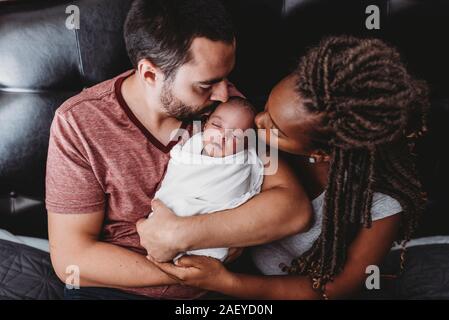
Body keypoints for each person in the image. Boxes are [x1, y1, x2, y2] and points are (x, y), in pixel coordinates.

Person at [46, 0, 311, 300]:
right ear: (150, 74)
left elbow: (294, 210)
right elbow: (70, 258)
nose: (224, 93)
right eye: (206, 84)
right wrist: (182, 272)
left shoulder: (229, 112)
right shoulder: (79, 123)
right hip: (117, 290)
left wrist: (182, 235)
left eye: (226, 76)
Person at [146, 36, 430, 300]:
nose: (257, 121)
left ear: (320, 153)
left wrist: (225, 283)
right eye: (267, 106)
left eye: (275, 128)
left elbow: (336, 287)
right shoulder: (257, 138)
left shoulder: (380, 205)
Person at [154, 97, 264, 262]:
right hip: (170, 214)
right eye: (217, 125)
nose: (222, 136)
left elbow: (235, 200)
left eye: (236, 136)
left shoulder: (241, 164)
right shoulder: (188, 148)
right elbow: (176, 178)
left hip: (209, 227)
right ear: (205, 124)